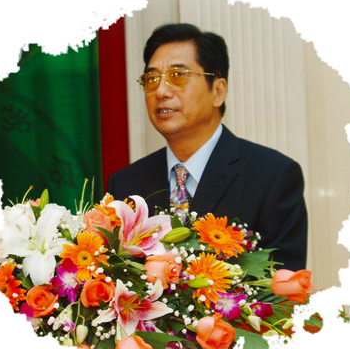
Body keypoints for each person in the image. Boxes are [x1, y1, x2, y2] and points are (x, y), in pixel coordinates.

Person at [108, 23, 307, 271]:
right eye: (152, 79)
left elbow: (283, 282)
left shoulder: (272, 177)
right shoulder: (125, 184)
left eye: (177, 76)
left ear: (218, 91)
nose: (161, 91)